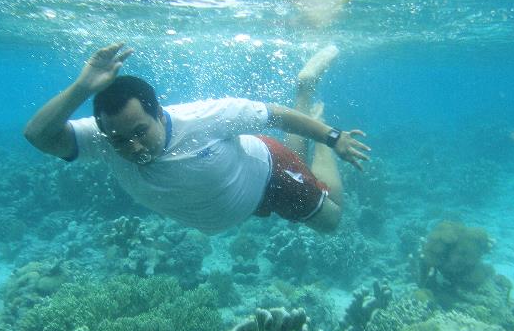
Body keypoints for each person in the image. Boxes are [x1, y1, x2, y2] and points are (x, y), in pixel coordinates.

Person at [24, 43, 370, 234]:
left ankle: (306, 89)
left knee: (330, 221)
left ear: (160, 115)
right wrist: (82, 87)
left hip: (270, 174)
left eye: (141, 132)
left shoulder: (205, 117)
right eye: (119, 140)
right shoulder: (104, 136)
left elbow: (275, 115)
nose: (133, 146)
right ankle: (306, 99)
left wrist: (332, 137)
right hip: (239, 199)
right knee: (300, 160)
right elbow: (38, 136)